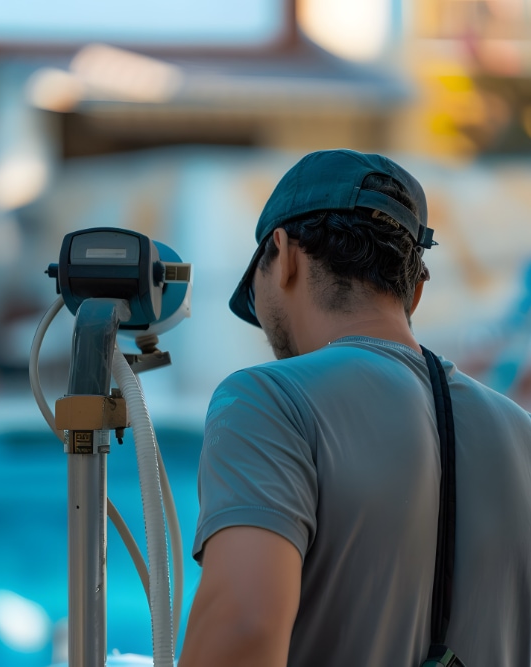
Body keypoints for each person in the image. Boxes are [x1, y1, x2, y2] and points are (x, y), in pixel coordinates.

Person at [177, 149, 531, 667]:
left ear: (285, 254)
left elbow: (245, 629)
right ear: (415, 289)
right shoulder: (520, 434)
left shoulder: (269, 401)